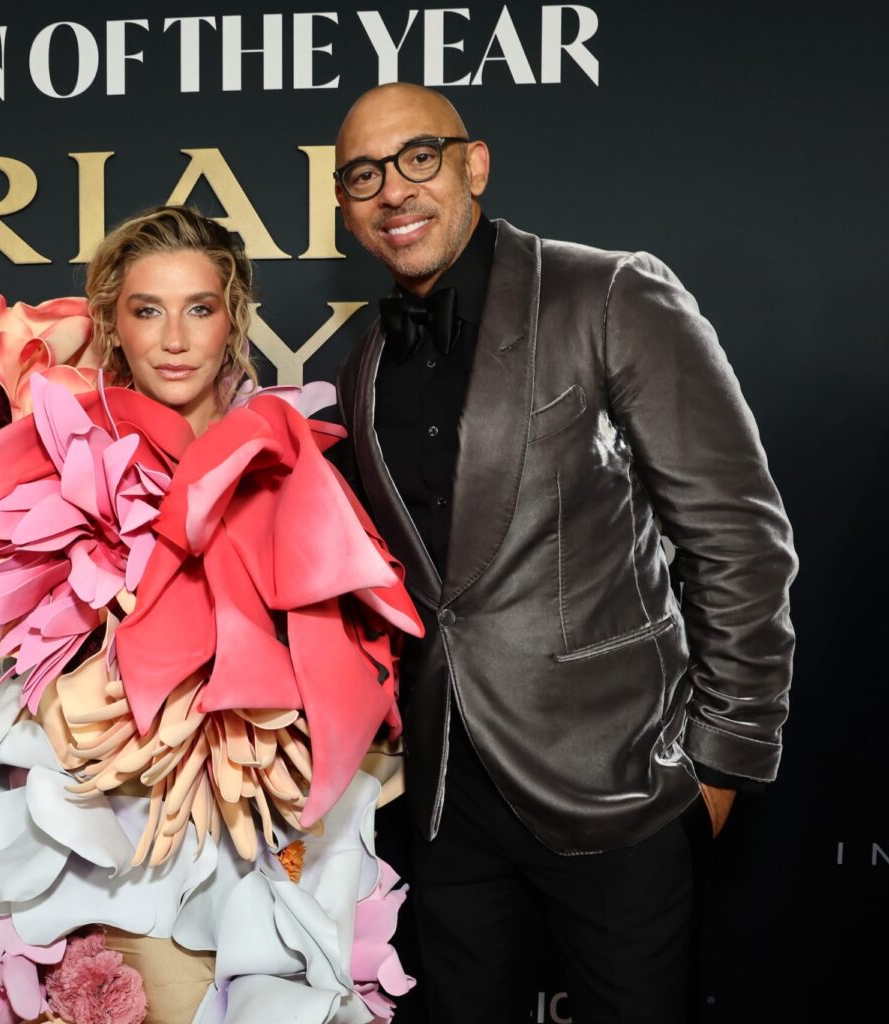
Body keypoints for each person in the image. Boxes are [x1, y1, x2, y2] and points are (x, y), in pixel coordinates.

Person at [330, 83, 798, 1023]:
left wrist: (723, 761)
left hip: (617, 781)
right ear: (344, 205)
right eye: (364, 175)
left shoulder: (608, 292)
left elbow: (740, 535)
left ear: (475, 164)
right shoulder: (368, 356)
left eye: (418, 157)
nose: (394, 190)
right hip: (445, 802)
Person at [0, 206, 423, 1024]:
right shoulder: (54, 466)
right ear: (112, 323)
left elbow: (354, 668)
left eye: (199, 309)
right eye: (148, 310)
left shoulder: (298, 467)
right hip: (112, 859)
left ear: (234, 320)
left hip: (260, 844)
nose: (175, 338)